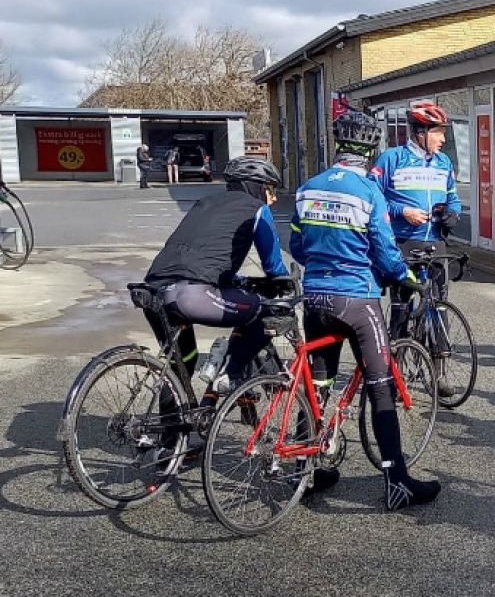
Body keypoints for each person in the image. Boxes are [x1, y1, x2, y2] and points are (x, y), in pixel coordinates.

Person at [290, 110, 441, 512]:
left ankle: (307, 471)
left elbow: (298, 247)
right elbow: (387, 255)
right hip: (357, 298)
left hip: (315, 297)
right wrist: (407, 278)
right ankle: (397, 481)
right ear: (370, 148)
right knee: (381, 386)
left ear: (339, 144)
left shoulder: (308, 188)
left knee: (318, 385)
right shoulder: (368, 191)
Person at [144, 156, 288, 408]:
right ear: (255, 186)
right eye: (270, 189)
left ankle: (168, 440)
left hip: (153, 290)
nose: (273, 198)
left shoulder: (205, 202)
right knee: (264, 312)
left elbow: (202, 253)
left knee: (181, 363)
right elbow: (274, 266)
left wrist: (236, 280)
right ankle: (230, 375)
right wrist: (284, 283)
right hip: (190, 294)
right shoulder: (255, 208)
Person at [369, 101, 462, 397]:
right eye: (438, 132)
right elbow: (374, 199)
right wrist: (401, 211)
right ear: (420, 132)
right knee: (400, 308)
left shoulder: (443, 163)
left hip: (434, 240)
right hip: (403, 243)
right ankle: (394, 373)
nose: (443, 139)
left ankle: (440, 372)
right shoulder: (391, 159)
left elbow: (453, 197)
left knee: (439, 303)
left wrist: (453, 213)